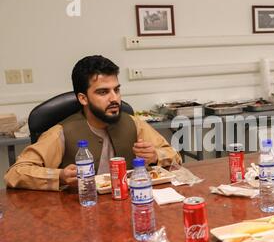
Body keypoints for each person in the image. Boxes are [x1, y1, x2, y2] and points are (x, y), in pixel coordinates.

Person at [4, 55, 181, 191]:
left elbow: (174, 156)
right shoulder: (61, 132)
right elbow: (15, 173)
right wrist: (60, 176)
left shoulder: (133, 123)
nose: (114, 99)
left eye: (116, 90)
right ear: (83, 98)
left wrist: (155, 156)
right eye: (103, 92)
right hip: (79, 213)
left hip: (129, 205)